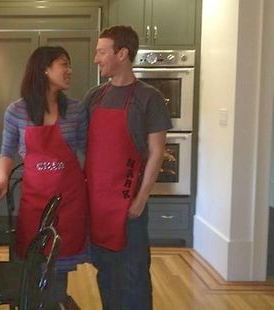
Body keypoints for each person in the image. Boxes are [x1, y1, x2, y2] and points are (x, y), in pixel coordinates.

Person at [0, 46, 88, 309]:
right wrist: (3, 179)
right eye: (64, 64)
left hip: (69, 199)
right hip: (35, 200)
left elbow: (89, 151)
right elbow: (6, 152)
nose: (69, 70)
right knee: (32, 260)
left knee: (59, 265)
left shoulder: (76, 110)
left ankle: (55, 301)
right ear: (44, 69)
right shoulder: (16, 111)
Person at [83, 25, 172, 309]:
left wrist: (141, 199)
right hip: (98, 203)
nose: (96, 59)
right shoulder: (94, 97)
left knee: (134, 275)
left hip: (129, 202)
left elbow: (157, 152)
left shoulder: (149, 98)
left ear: (122, 53)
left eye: (101, 52)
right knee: (106, 272)